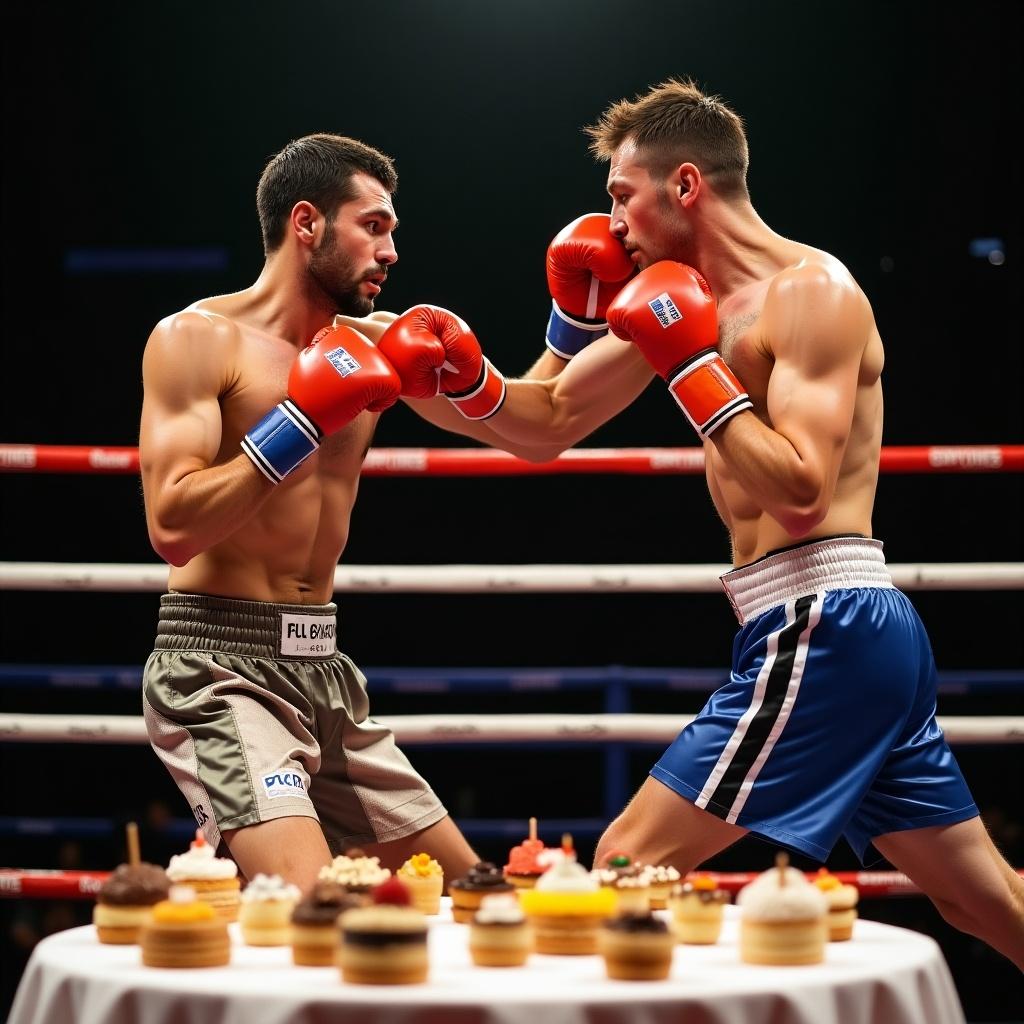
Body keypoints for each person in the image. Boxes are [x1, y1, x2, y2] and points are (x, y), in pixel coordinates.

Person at [355, 80, 1023, 967]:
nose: (613, 224)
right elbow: (546, 420)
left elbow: (801, 491)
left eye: (621, 196)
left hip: (826, 622)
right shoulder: (679, 304)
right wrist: (442, 373)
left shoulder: (810, 294)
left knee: (629, 858)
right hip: (816, 634)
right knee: (983, 902)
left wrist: (691, 364)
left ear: (685, 186)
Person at [137, 133, 556, 893]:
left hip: (327, 670)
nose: (392, 250)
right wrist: (297, 422)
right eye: (374, 225)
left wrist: (586, 321)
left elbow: (537, 427)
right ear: (307, 224)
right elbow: (172, 525)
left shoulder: (381, 348)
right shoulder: (197, 339)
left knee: (474, 900)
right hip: (219, 668)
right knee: (324, 908)